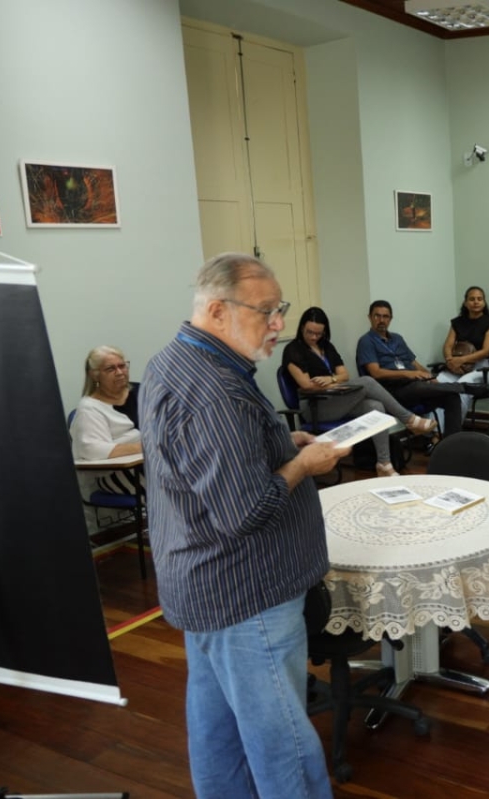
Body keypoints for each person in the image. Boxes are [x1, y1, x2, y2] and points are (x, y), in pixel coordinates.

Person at [139, 253, 346, 799]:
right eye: (267, 311)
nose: (279, 323)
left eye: (281, 309)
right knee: (282, 740)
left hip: (203, 586)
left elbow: (211, 469)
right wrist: (305, 464)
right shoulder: (215, 392)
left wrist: (283, 443)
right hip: (246, 594)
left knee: (218, 734)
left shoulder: (174, 361)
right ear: (217, 311)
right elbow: (246, 509)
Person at [282, 306, 436, 476]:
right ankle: (408, 419)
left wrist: (330, 380)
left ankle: (384, 464)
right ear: (301, 328)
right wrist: (334, 381)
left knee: (375, 406)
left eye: (318, 333)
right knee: (367, 381)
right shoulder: (293, 350)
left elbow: (344, 375)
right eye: (309, 332)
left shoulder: (326, 347)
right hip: (314, 406)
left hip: (336, 399)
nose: (313, 337)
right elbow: (306, 385)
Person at [356, 299, 467, 436]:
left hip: (414, 388)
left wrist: (431, 378)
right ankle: (464, 387)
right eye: (377, 316)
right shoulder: (366, 341)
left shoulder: (397, 339)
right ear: (369, 317)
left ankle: (452, 445)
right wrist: (407, 374)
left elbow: (415, 364)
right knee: (418, 386)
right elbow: (375, 373)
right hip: (391, 392)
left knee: (452, 397)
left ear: (391, 319)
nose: (381, 320)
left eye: (385, 316)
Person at [71, 345, 143, 497]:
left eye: (122, 366)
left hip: (150, 466)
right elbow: (92, 449)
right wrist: (145, 447)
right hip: (115, 475)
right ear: (95, 375)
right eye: (110, 369)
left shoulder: (143, 392)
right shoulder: (89, 408)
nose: (119, 373)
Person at [436, 286, 489, 417]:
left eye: (479, 299)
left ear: (484, 302)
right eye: (472, 299)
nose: (476, 302)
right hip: (456, 366)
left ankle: (453, 431)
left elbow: (486, 352)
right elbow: (447, 346)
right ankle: (436, 431)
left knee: (460, 388)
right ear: (465, 303)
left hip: (480, 368)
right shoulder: (457, 322)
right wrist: (450, 361)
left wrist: (461, 360)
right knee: (439, 383)